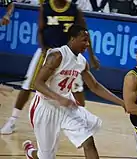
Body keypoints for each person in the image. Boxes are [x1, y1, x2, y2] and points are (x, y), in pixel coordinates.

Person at [22, 24, 124, 159]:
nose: (87, 44)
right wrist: (59, 98)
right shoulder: (57, 55)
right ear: (72, 39)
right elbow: (37, 84)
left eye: (88, 41)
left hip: (67, 107)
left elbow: (95, 86)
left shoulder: (82, 62)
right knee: (45, 156)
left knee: (88, 141)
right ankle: (31, 153)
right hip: (45, 107)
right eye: (84, 40)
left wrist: (122, 102)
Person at [1, 0, 100, 134]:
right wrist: (43, 50)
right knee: (28, 85)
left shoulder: (74, 10)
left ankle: (77, 121)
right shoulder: (46, 8)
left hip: (69, 55)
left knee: (77, 91)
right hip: (48, 53)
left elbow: (85, 33)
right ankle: (12, 120)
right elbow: (40, 31)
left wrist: (92, 57)